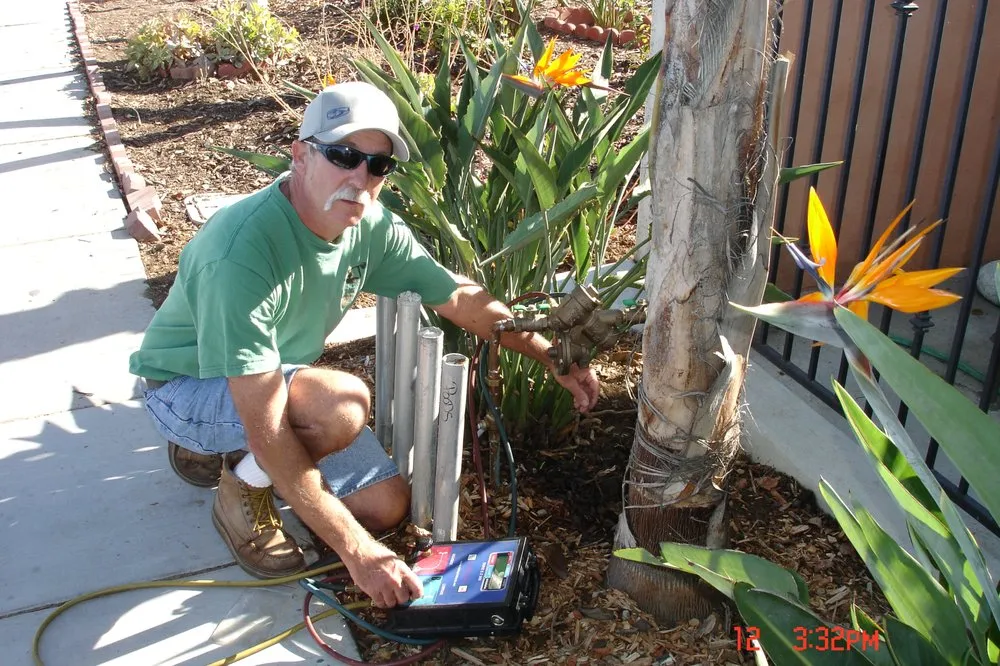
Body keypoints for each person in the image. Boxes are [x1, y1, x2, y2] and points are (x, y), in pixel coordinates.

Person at [128, 81, 599, 609]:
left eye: (377, 165)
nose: (360, 177)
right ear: (301, 156)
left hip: (270, 380)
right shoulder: (241, 253)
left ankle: (229, 454)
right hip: (185, 387)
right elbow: (266, 424)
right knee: (340, 407)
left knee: (384, 509)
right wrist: (357, 553)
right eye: (344, 156)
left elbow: (458, 297)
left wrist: (549, 354)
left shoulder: (367, 225)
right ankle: (239, 491)